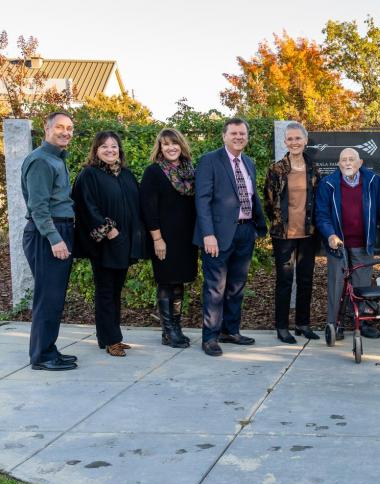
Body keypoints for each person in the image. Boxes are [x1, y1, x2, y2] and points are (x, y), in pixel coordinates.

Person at [193, 118, 267, 357]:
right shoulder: (209, 160)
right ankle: (210, 338)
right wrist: (208, 234)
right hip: (217, 235)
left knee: (237, 286)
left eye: (242, 133)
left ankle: (230, 331)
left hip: (245, 231)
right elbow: (202, 200)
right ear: (224, 136)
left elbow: (252, 196)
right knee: (215, 288)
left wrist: (257, 227)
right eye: (234, 133)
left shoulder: (249, 162)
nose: (239, 137)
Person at [72, 131, 147, 357]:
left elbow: (136, 204)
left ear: (119, 150)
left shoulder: (125, 175)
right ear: (96, 150)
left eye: (114, 146)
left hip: (123, 242)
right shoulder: (89, 175)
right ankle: (111, 339)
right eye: (104, 147)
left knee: (115, 291)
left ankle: (110, 336)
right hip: (104, 243)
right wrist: (109, 230)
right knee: (105, 291)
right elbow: (85, 206)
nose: (110, 150)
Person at [315, 147, 380, 340]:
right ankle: (335, 324)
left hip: (363, 244)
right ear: (338, 164)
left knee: (362, 286)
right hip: (338, 246)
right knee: (338, 285)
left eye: (351, 159)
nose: (347, 163)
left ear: (360, 163)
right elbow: (321, 215)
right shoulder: (328, 184)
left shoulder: (372, 181)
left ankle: (362, 323)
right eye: (343, 159)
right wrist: (330, 235)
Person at [21, 112, 79, 371]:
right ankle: (42, 356)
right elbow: (38, 207)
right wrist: (55, 239)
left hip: (58, 230)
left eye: (69, 128)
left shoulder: (55, 158)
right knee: (48, 297)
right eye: (60, 127)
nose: (65, 132)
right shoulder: (41, 161)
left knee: (54, 298)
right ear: (47, 128)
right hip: (48, 234)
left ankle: (48, 348)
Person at [140, 128, 198, 349]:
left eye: (174, 143)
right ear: (160, 148)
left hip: (186, 239)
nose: (171, 147)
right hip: (164, 238)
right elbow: (148, 209)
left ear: (181, 145)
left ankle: (176, 327)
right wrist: (157, 239)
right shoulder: (153, 172)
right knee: (166, 282)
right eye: (166, 144)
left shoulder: (189, 170)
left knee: (179, 282)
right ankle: (168, 330)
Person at [263, 122, 320, 344]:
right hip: (284, 236)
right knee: (284, 281)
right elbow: (269, 202)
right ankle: (282, 326)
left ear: (305, 141)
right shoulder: (276, 169)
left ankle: (303, 324)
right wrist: (280, 222)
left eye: (298, 138)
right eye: (290, 139)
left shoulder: (313, 168)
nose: (294, 142)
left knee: (306, 279)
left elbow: (317, 200)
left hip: (308, 234)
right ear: (285, 142)